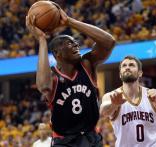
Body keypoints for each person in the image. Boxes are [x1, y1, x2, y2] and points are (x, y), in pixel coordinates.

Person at [26, 3, 115, 147]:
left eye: (76, 42)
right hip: (64, 141)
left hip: (91, 138)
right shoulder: (53, 77)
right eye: (69, 43)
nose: (76, 45)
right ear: (57, 53)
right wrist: (42, 40)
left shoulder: (87, 65)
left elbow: (109, 42)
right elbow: (42, 86)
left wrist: (70, 21)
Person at [100, 56, 156, 147]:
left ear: (140, 73)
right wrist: (113, 104)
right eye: (124, 66)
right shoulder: (112, 96)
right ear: (120, 74)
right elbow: (103, 112)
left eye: (131, 65)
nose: (127, 67)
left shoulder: (153, 95)